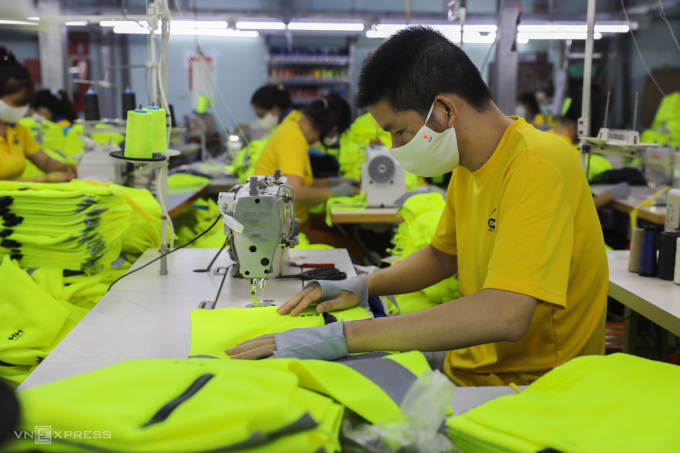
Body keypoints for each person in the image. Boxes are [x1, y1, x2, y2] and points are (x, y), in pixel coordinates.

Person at [228, 26, 609, 388]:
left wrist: (344, 335)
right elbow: (443, 255)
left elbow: (506, 313)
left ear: (444, 109)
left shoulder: (536, 164)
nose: (393, 148)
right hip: (475, 365)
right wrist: (362, 286)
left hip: (532, 386)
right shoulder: (469, 165)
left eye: (399, 131)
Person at [254, 94, 363, 261]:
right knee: (357, 251)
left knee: (353, 232)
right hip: (284, 230)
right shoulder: (291, 137)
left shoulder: (293, 131)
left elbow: (302, 182)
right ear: (332, 129)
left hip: (292, 221)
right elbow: (295, 191)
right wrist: (337, 192)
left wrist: (336, 182)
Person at [0, 47, 76, 183]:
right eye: (16, 102)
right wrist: (40, 181)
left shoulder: (17, 130)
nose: (22, 108)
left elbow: (46, 163)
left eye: (26, 103)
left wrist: (69, 167)